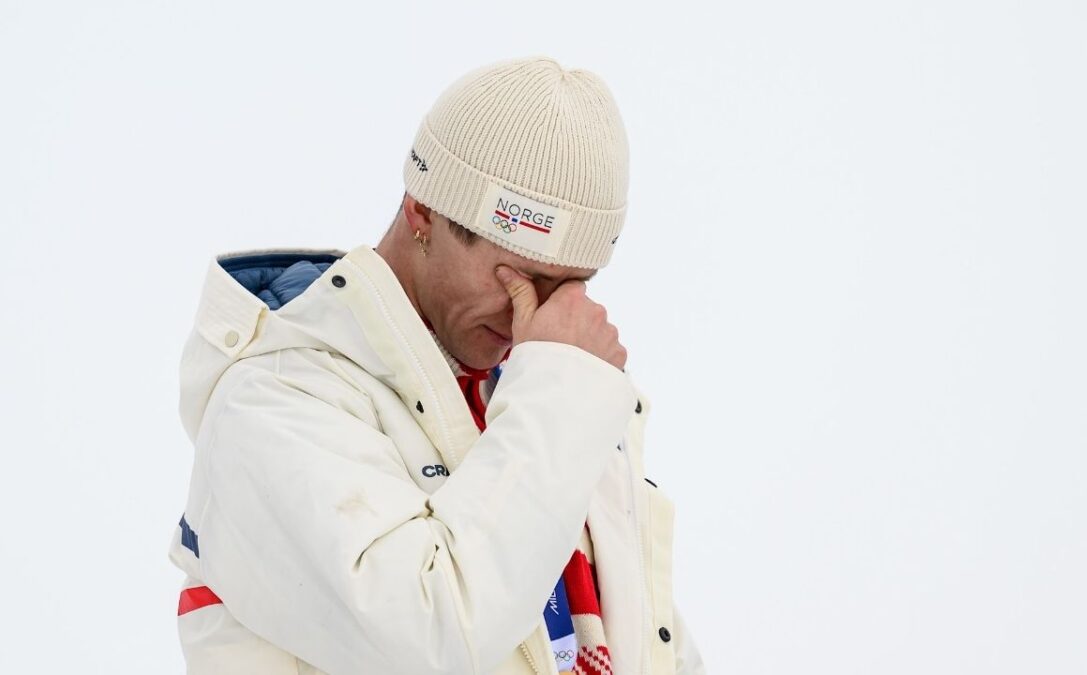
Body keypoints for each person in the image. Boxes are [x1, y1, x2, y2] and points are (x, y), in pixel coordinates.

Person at [168, 55, 705, 675]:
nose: (534, 314)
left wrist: (562, 395)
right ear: (423, 211)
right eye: (522, 274)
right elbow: (430, 639)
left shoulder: (542, 397)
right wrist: (562, 394)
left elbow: (648, 645)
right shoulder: (275, 401)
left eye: (571, 286)